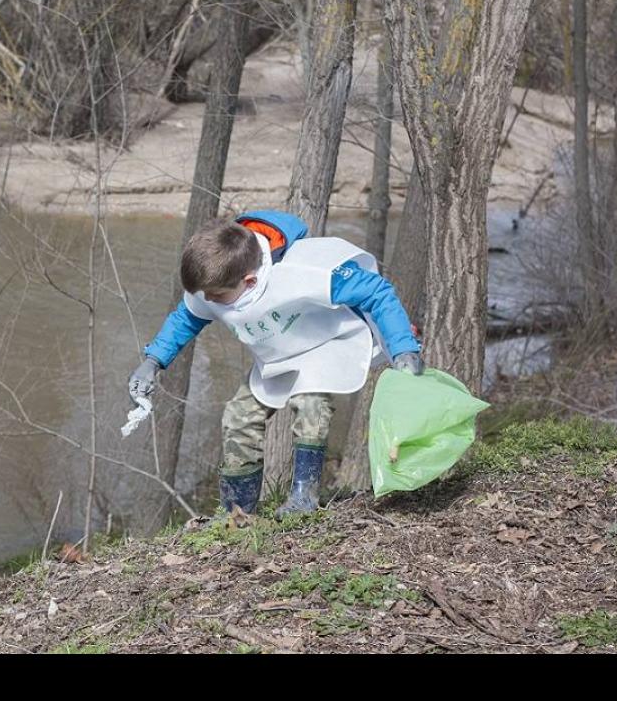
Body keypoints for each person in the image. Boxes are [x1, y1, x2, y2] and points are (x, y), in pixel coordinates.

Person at [128, 211, 423, 518]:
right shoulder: (215, 283)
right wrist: (153, 361)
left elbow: (376, 292)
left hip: (325, 345)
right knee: (238, 416)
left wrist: (403, 348)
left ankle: (303, 497)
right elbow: (185, 319)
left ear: (250, 280)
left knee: (310, 406)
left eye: (216, 296)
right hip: (277, 355)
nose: (209, 301)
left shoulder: (304, 270)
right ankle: (237, 512)